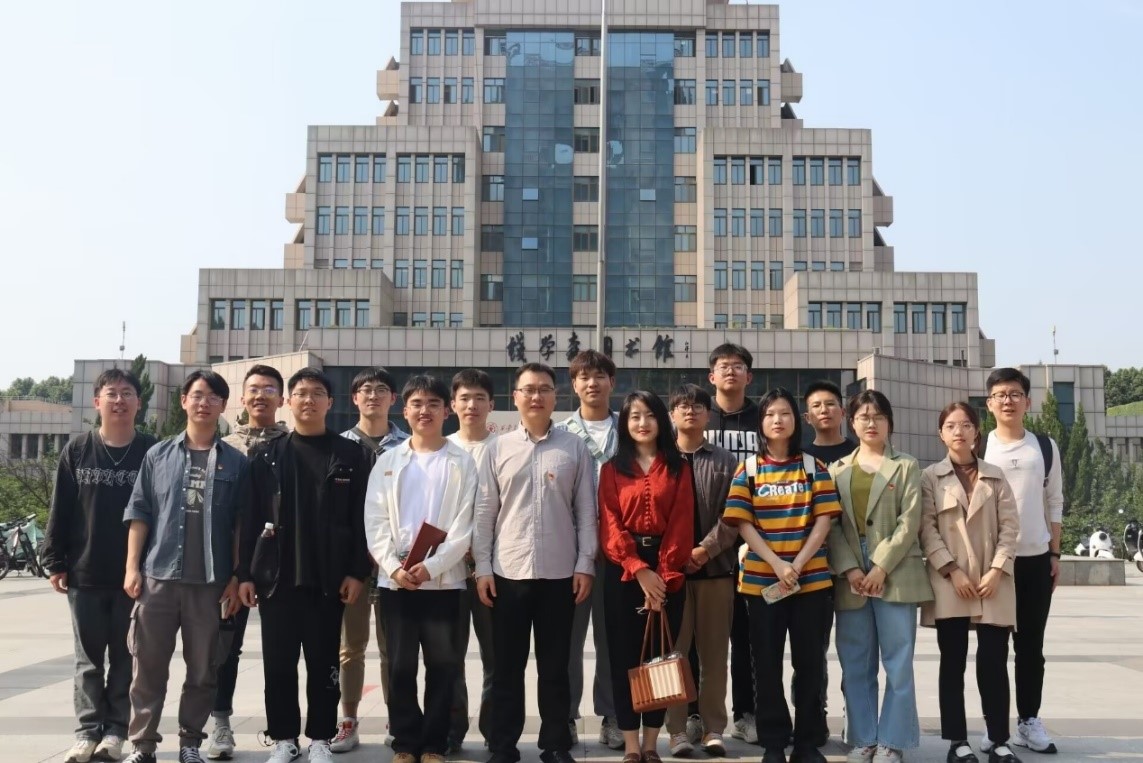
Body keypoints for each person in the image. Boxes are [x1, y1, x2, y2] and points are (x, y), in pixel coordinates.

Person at [237, 367, 371, 763]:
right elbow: (249, 519)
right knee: (278, 665)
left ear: (330, 402)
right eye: (300, 393)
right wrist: (245, 574)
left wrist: (357, 571)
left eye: (316, 393)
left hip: (329, 580)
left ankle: (320, 739)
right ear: (288, 402)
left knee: (324, 663)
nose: (308, 400)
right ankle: (283, 738)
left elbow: (363, 519)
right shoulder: (267, 457)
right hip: (276, 579)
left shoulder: (351, 455)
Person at [120, 370, 247, 763]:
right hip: (158, 578)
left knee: (203, 670)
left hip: (209, 584)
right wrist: (132, 568)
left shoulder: (237, 463)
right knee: (148, 667)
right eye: (197, 395)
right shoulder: (158, 455)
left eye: (212, 397)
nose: (203, 403)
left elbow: (241, 525)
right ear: (184, 401)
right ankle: (143, 745)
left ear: (223, 406)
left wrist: (236, 576)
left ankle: (190, 743)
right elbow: (140, 512)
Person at [473, 362, 597, 763]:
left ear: (555, 396)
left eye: (544, 388)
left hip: (561, 574)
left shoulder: (574, 447)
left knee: (555, 667)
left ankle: (555, 744)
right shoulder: (497, 448)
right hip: (508, 574)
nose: (536, 396)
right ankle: (503, 746)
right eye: (528, 389)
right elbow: (484, 513)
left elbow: (586, 512)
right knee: (506, 668)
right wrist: (483, 567)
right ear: (515, 397)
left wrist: (585, 563)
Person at [42, 369, 157, 763]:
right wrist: (55, 559)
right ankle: (87, 732)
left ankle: (116, 732)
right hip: (85, 571)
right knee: (88, 660)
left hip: (136, 575)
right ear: (97, 402)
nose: (119, 400)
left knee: (127, 657)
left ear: (139, 402)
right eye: (112, 393)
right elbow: (60, 507)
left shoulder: (152, 451)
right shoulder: (78, 450)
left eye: (127, 393)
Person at [721, 388, 840, 763]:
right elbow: (743, 524)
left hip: (811, 582)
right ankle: (773, 742)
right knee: (766, 664)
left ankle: (807, 742)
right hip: (762, 584)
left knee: (810, 664)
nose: (778, 420)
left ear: (796, 420)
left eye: (785, 413)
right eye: (770, 414)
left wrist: (797, 565)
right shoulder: (748, 469)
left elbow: (824, 520)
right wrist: (777, 565)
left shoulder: (813, 467)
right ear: (761, 423)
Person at [365, 375, 477, 763]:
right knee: (399, 667)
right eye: (416, 403)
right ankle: (405, 742)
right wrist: (393, 568)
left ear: (447, 411)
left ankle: (434, 744)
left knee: (443, 667)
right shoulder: (388, 462)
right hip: (396, 584)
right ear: (405, 410)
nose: (424, 410)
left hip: (444, 584)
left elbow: (464, 527)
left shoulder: (462, 462)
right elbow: (375, 521)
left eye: (433, 403)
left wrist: (431, 567)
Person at [828, 390, 932, 763]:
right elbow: (831, 525)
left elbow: (910, 520)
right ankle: (863, 737)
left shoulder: (906, 465)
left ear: (889, 422)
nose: (871, 423)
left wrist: (881, 566)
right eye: (863, 416)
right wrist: (852, 568)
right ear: (851, 422)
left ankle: (893, 739)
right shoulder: (837, 469)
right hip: (851, 573)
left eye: (879, 416)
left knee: (898, 661)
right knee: (856, 661)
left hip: (896, 570)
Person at [920, 402, 1020, 763]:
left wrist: (997, 570)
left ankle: (998, 739)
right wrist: (952, 570)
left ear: (977, 431)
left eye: (965, 425)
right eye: (950, 425)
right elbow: (926, 529)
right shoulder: (930, 477)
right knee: (953, 662)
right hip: (951, 581)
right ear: (941, 434)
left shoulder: (995, 475)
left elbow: (1010, 527)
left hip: (994, 581)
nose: (958, 431)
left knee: (994, 661)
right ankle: (957, 742)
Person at [598, 391, 694, 763]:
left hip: (668, 569)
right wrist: (638, 569)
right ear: (625, 423)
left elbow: (683, 522)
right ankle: (631, 745)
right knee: (624, 658)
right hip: (624, 571)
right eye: (634, 416)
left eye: (650, 415)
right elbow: (609, 523)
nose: (642, 423)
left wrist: (663, 576)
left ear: (661, 420)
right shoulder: (612, 469)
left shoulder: (678, 467)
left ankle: (652, 743)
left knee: (659, 658)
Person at [208, 364, 290, 761]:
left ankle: (285, 733)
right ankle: (220, 723)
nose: (261, 396)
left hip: (280, 565)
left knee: (282, 651)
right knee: (225, 647)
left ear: (282, 399)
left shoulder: (291, 447)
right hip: (231, 565)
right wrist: (233, 570)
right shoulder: (223, 448)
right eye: (254, 389)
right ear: (241, 398)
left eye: (269, 389)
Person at [980, 368, 1064, 755]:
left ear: (1028, 402)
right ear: (989, 404)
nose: (1008, 401)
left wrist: (1055, 553)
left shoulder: (1044, 447)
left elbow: (1055, 501)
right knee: (992, 650)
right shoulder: (980, 448)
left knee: (1031, 648)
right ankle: (995, 726)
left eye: (1015, 394)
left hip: (1035, 560)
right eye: (1000, 394)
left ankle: (1028, 721)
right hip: (993, 564)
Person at [332, 367, 409, 752]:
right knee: (351, 647)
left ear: (393, 399)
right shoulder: (339, 446)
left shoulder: (409, 446)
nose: (373, 396)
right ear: (355, 398)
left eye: (381, 390)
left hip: (397, 563)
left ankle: (397, 719)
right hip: (352, 565)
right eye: (365, 390)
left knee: (394, 646)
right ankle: (348, 721)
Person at [664, 384, 738, 758]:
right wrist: (677, 555)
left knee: (714, 657)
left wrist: (705, 550)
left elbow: (735, 514)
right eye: (682, 405)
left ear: (709, 415)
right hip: (670, 576)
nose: (690, 411)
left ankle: (713, 729)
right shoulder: (659, 459)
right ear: (672, 415)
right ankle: (676, 730)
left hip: (716, 572)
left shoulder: (726, 461)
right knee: (672, 657)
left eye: (697, 406)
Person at [555, 349, 622, 749]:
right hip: (570, 554)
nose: (592, 383)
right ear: (574, 384)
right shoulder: (560, 434)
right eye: (584, 377)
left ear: (612, 382)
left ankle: (613, 716)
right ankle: (565, 715)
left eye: (599, 376)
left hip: (618, 554)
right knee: (567, 641)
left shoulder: (630, 430)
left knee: (613, 640)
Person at [703, 343, 761, 745]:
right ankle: (695, 714)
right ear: (712, 376)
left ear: (748, 376)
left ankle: (746, 713)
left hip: (753, 543)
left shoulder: (762, 418)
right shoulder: (697, 413)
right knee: (699, 637)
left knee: (746, 635)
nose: (730, 372)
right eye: (723, 366)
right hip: (704, 543)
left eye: (738, 366)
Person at [800, 380, 857, 746]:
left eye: (831, 404)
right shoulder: (801, 456)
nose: (825, 410)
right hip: (813, 566)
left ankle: (856, 714)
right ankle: (813, 715)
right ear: (807, 417)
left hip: (855, 566)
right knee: (812, 649)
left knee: (855, 647)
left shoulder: (859, 452)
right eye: (817, 406)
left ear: (843, 411)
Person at [446, 369, 499, 752]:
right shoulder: (442, 448)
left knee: (497, 657)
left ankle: (495, 731)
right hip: (447, 571)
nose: (472, 405)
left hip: (493, 571)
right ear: (453, 404)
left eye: (480, 398)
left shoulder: (503, 447)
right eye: (464, 398)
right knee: (449, 657)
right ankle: (452, 730)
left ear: (491, 404)